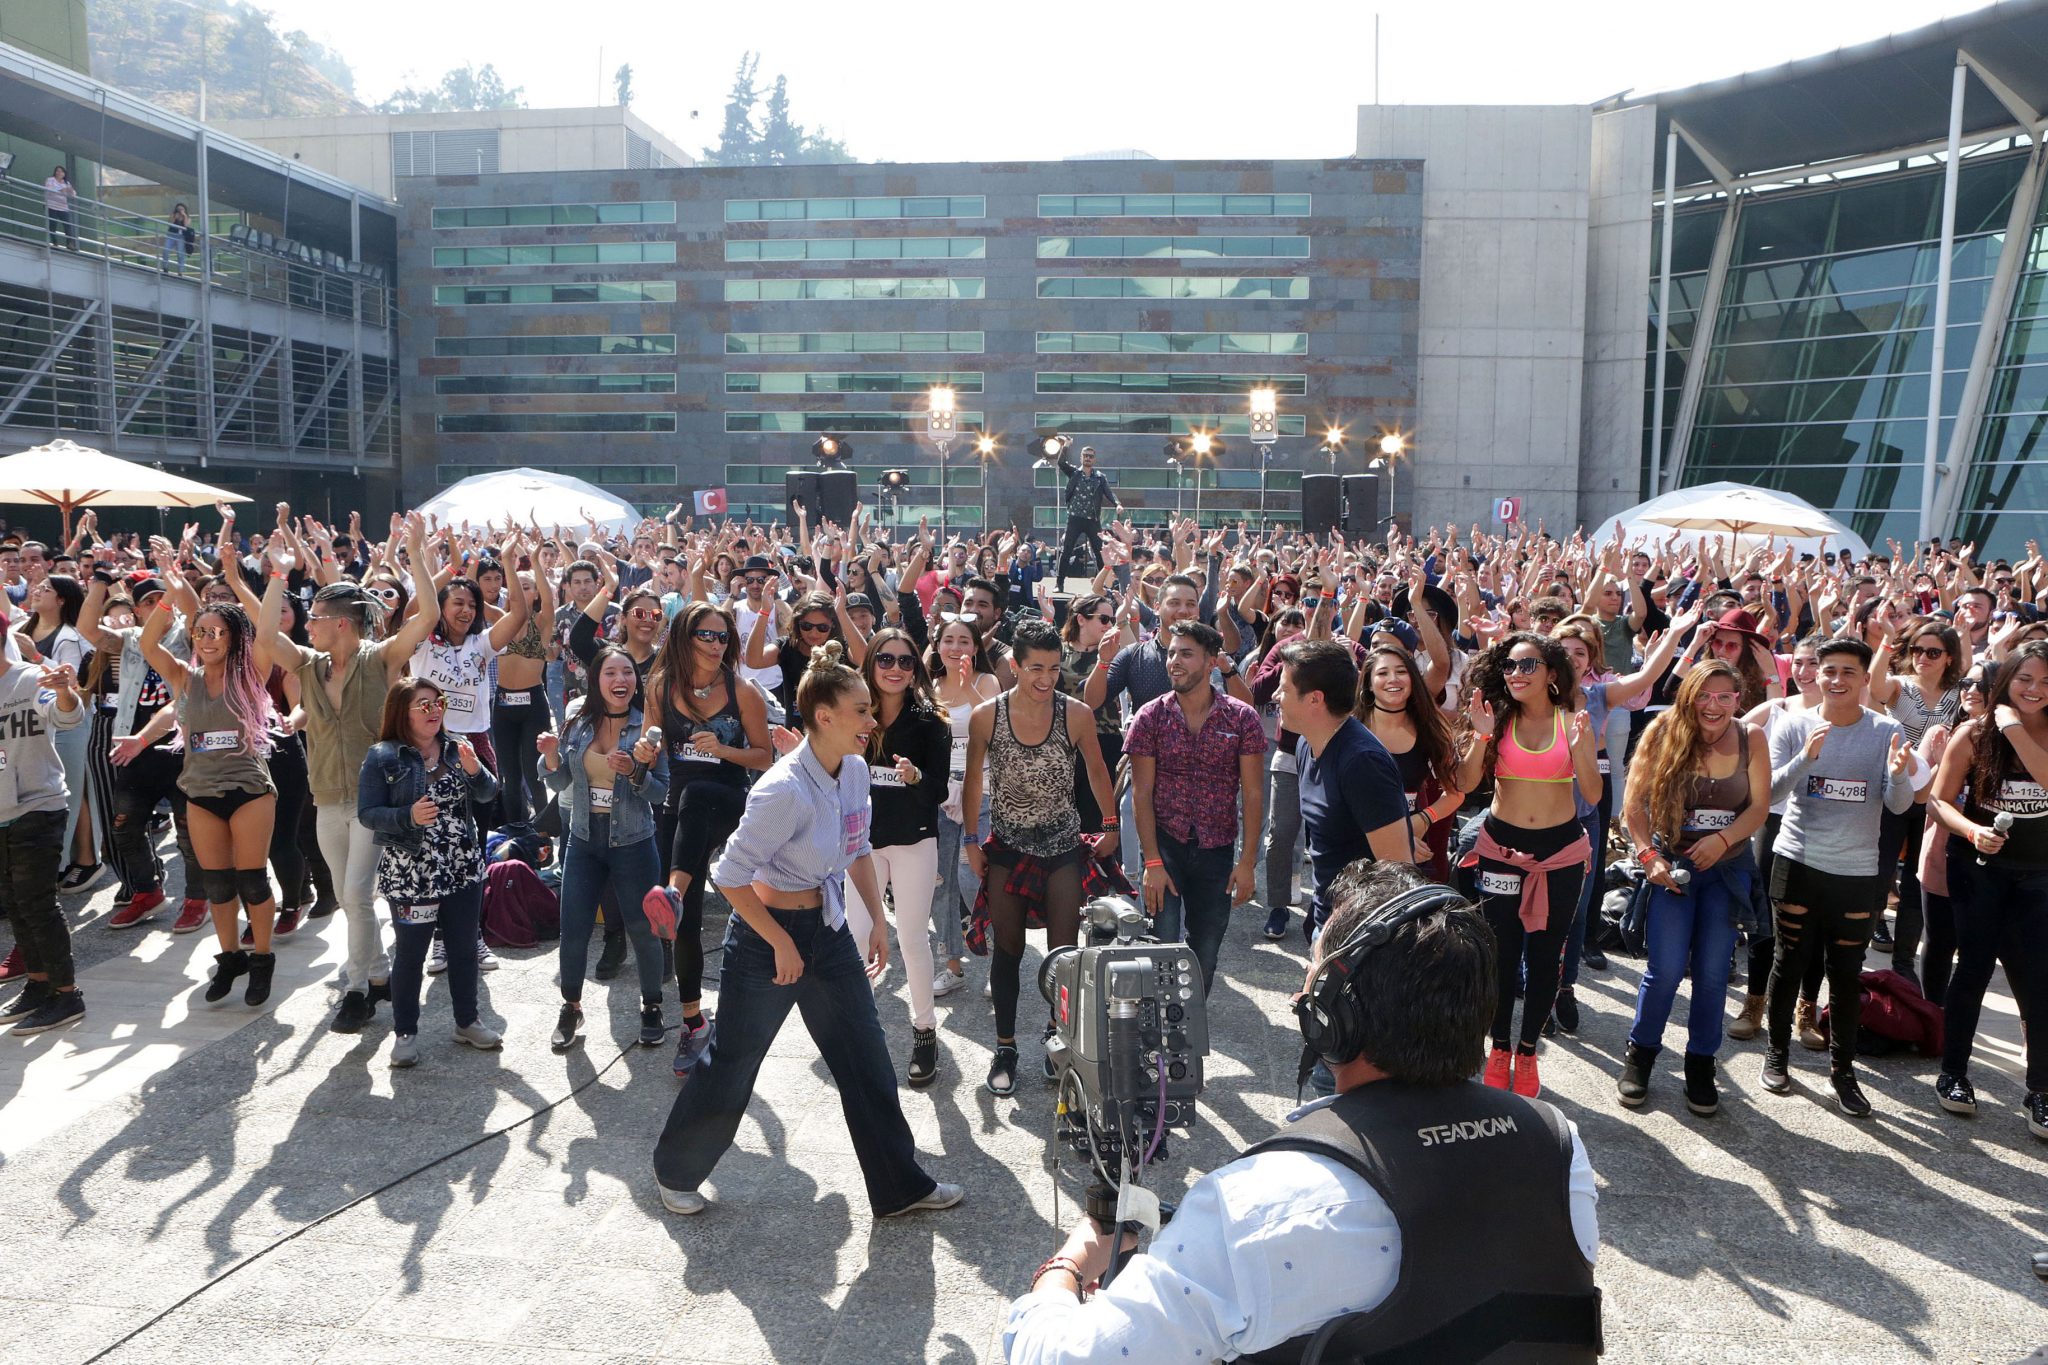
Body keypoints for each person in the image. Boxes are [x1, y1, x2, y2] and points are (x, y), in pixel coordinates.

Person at [1002, 860, 1600, 1365]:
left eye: (1313, 974)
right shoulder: (1557, 1146)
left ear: (1332, 1017)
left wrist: (1066, 1266)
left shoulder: (1257, 1209)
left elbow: (1063, 1357)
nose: (1300, 994)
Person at [651, 641, 963, 1220]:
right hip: (765, 942)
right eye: (863, 710)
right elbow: (729, 877)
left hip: (828, 930)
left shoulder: (854, 772)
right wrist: (779, 941)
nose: (872, 721)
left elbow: (858, 847)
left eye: (871, 710)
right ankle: (674, 1172)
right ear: (825, 716)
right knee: (734, 1061)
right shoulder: (781, 789)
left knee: (867, 1057)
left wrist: (877, 922)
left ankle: (899, 1187)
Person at [1759, 637, 1916, 1118]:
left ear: (1865, 679)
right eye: (1829, 670)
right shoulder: (1792, 723)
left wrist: (1899, 775)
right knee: (1788, 962)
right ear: (1815, 674)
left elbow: (1898, 805)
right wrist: (1805, 759)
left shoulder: (1886, 730)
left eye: (1849, 671)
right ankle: (1778, 1055)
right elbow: (1768, 794)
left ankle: (1843, 1072)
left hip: (1856, 870)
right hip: (1798, 861)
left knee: (1846, 975)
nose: (1837, 679)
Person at [963, 618, 1120, 1094]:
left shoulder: (1076, 713)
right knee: (1007, 951)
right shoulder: (986, 715)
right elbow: (973, 780)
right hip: (1008, 846)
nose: (1046, 678)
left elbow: (1096, 769)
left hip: (1062, 846)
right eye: (1035, 668)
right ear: (1015, 666)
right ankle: (1006, 1046)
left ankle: (1059, 1039)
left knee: (1064, 956)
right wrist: (971, 839)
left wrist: (1111, 825)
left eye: (1053, 668)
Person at [1619, 661, 1770, 1115]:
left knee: (1710, 973)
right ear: (1689, 697)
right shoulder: (1662, 730)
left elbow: (1759, 807)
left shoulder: (1751, 738)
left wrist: (1723, 838)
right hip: (1671, 870)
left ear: (1738, 700)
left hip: (1727, 871)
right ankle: (1641, 1054)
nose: (1715, 705)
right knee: (1664, 970)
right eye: (1705, 695)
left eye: (1726, 696)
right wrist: (1649, 856)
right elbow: (1634, 804)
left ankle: (1701, 1062)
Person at [1454, 633, 1601, 1098]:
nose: (1516, 674)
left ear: (1552, 674)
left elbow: (1594, 797)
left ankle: (1527, 1050)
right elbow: (1463, 782)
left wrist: (1581, 752)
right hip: (1501, 848)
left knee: (1545, 956)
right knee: (1499, 952)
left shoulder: (1572, 723)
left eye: (1528, 666)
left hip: (1559, 853)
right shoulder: (1495, 722)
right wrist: (1479, 733)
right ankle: (1498, 1047)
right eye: (1511, 667)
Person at [139, 577, 284, 1008]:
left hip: (249, 789)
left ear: (234, 637)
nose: (207, 639)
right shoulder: (185, 677)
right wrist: (169, 591)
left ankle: (261, 959)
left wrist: (276, 576)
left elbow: (270, 631)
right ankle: (229, 958)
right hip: (200, 791)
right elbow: (150, 645)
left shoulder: (251, 672)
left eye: (217, 631)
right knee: (217, 883)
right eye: (200, 632)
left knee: (252, 879)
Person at [642, 600, 771, 1076]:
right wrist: (643, 749)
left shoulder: (743, 691)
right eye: (707, 636)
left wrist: (723, 749)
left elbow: (763, 758)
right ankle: (693, 1022)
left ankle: (670, 894)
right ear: (685, 638)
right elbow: (652, 739)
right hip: (680, 809)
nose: (717, 644)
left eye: (723, 637)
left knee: (697, 792)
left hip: (729, 801)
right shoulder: (661, 685)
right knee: (688, 923)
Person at [1927, 641, 2048, 1139]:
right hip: (1977, 869)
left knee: (2037, 981)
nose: (2035, 690)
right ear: (2006, 681)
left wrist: (2014, 728)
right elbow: (1937, 801)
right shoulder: (1972, 734)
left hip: (2040, 874)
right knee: (1972, 970)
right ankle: (1953, 1073)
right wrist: (1972, 831)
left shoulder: (2018, 729)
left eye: (2045, 682)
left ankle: (2040, 1089)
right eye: (2025, 680)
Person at [355, 679, 504, 1068]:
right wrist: (407, 816)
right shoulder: (383, 757)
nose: (434, 710)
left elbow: (489, 795)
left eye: (437, 702)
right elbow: (368, 813)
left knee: (463, 948)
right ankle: (405, 1033)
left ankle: (467, 1021)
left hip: (461, 866)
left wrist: (476, 771)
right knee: (410, 954)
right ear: (402, 711)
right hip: (412, 873)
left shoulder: (457, 748)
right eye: (423, 705)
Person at [540, 645, 671, 1052]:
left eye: (628, 673)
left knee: (644, 929)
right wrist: (548, 759)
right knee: (574, 928)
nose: (620, 680)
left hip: (633, 842)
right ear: (596, 681)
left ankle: (651, 1007)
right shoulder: (578, 723)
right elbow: (560, 784)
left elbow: (660, 793)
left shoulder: (648, 729)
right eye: (611, 673)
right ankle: (571, 1006)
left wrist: (635, 771)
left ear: (637, 681)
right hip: (582, 838)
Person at [1127, 621, 1266, 992]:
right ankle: (1159, 1035)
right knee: (1162, 948)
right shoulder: (1150, 716)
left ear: (1211, 662)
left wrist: (1247, 862)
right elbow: (1142, 793)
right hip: (1164, 847)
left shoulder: (1241, 718)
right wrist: (1152, 862)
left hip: (1217, 851)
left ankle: (1188, 1028)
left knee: (1204, 953)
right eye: (1171, 653)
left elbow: (1253, 794)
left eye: (1186, 654)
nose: (1174, 661)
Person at [843, 626, 953, 1086]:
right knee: (855, 933)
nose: (894, 669)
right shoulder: (852, 712)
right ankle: (856, 1034)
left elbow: (939, 790)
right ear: (870, 663)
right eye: (885, 659)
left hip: (913, 840)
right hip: (860, 844)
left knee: (911, 938)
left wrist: (913, 778)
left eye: (905, 661)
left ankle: (924, 1030)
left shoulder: (930, 721)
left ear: (916, 669)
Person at [1277, 639, 1415, 943]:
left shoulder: (1363, 763)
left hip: (1363, 937)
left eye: (1284, 690)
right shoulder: (1304, 744)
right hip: (1327, 927)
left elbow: (1398, 872)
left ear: (1315, 699)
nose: (1276, 697)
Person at [0, 657, 90, 1035]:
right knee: (15, 903)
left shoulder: (32, 677)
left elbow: (67, 717)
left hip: (39, 805)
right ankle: (37, 983)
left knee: (37, 903)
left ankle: (66, 994)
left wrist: (65, 691)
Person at [1869, 619, 1962, 982]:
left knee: (1917, 881)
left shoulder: (1958, 695)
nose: (1922, 657)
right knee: (1880, 872)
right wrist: (1888, 642)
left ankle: (1904, 962)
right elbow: (1876, 687)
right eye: (1917, 650)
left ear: (1949, 658)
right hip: (1894, 789)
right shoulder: (1901, 687)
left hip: (1935, 796)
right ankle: (1864, 939)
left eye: (1933, 652)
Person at [930, 614, 1000, 998]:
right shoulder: (928, 685)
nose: (955, 648)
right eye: (948, 640)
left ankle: (996, 962)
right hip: (938, 795)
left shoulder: (986, 682)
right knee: (940, 882)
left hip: (982, 789)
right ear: (937, 644)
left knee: (973, 877)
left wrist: (968, 686)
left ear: (976, 646)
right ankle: (951, 965)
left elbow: (995, 726)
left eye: (964, 641)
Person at [1054, 445, 1120, 578]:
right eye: (1085, 455)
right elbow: (1061, 463)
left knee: (1100, 551)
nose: (1088, 458)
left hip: (1092, 520)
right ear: (1081, 457)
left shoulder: (1100, 477)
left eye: (1090, 456)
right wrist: (1065, 446)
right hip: (1075, 519)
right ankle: (1059, 583)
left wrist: (1117, 504)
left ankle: (1104, 582)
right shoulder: (1074, 473)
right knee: (1066, 550)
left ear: (1094, 459)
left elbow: (1109, 493)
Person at [44, 165, 78, 250]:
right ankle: (54, 242)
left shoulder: (66, 183)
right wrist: (61, 190)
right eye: (57, 171)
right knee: (53, 225)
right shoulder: (50, 180)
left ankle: (70, 244)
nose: (59, 173)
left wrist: (70, 191)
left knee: (67, 225)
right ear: (55, 172)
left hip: (63, 207)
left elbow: (73, 195)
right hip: (52, 205)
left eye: (61, 171)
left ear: (64, 174)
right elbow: (49, 191)